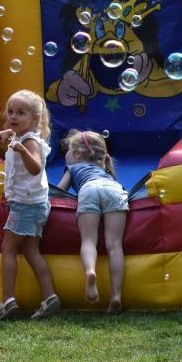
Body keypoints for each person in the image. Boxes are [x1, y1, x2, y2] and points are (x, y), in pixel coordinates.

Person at [0, 90, 60, 321]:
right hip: (34, 204)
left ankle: (7, 301)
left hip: (25, 206)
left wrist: (21, 150)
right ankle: (49, 297)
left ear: (35, 119)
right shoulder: (20, 136)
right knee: (31, 250)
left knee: (8, 249)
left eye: (21, 113)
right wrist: (7, 133)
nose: (13, 116)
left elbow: (35, 168)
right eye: (10, 111)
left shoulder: (29, 141)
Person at [56, 130, 129, 313]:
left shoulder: (72, 169)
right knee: (115, 245)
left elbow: (58, 193)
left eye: (68, 150)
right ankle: (116, 295)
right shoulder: (106, 173)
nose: (66, 154)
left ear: (77, 154)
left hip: (88, 190)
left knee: (88, 240)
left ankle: (90, 271)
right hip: (114, 190)